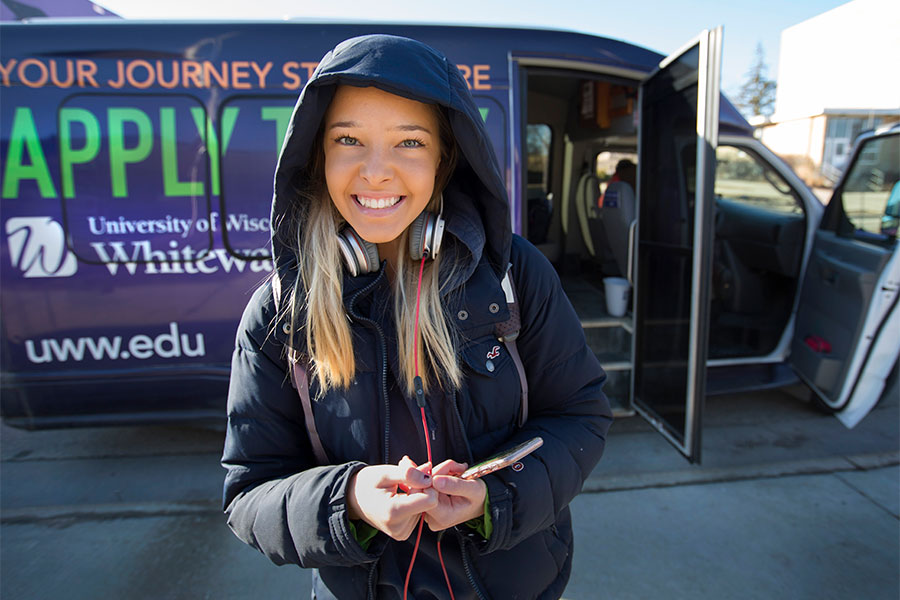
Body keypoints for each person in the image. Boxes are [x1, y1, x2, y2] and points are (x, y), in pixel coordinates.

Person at [222, 34, 613, 600]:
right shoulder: (281, 310)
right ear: (318, 156)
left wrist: (495, 497)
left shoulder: (512, 274)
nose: (376, 173)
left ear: (443, 159)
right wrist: (349, 499)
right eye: (348, 139)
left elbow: (581, 414)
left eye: (409, 142)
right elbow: (248, 493)